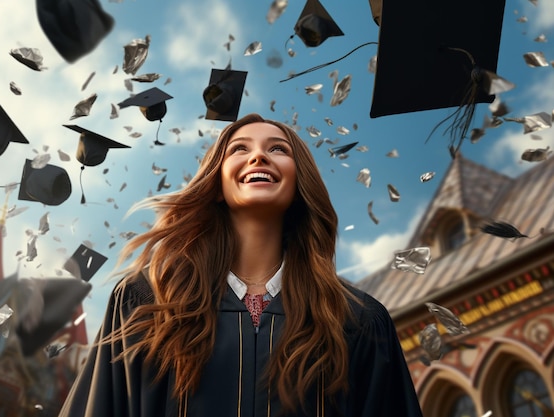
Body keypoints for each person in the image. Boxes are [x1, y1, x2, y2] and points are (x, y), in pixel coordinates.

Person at [58, 113, 424, 417]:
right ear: (217, 183)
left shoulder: (357, 321)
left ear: (300, 182)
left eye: (278, 149)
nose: (258, 157)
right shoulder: (147, 302)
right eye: (240, 149)